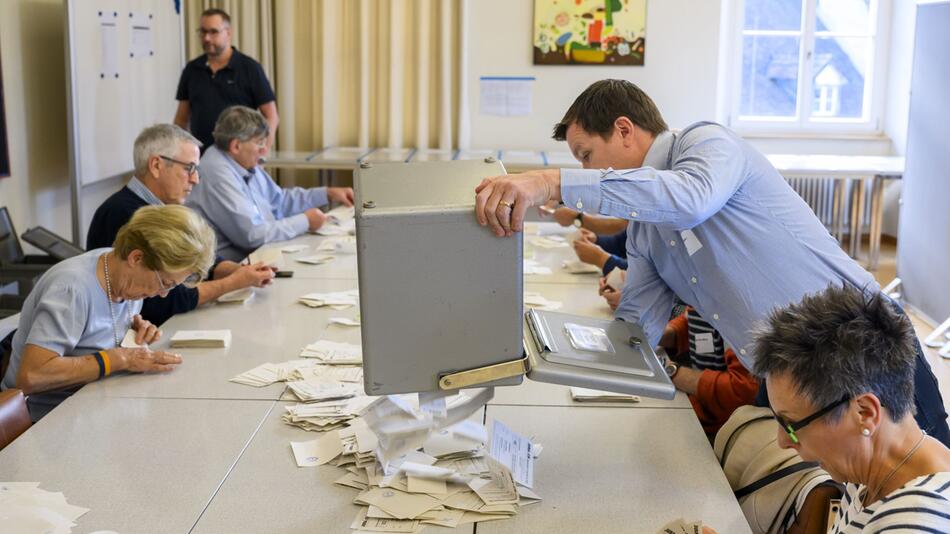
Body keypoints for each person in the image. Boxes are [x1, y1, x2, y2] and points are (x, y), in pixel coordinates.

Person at [473, 79, 950, 445]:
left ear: (624, 130)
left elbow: (690, 199)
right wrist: (545, 348)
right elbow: (633, 331)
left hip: (866, 347)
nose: (588, 172)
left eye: (587, 156)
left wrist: (551, 182)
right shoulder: (646, 234)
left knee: (925, 488)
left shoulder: (705, 143)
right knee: (853, 504)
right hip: (794, 377)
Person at [708, 285, 950, 533]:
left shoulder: (916, 524)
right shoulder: (870, 468)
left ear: (865, 413)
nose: (783, 441)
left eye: (791, 426)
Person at [1, 205, 216, 421]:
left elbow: (98, 325)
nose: (161, 294)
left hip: (90, 405)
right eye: (164, 283)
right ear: (136, 258)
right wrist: (119, 359)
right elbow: (31, 375)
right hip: (40, 420)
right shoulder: (71, 289)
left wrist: (131, 331)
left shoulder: (120, 275)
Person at [87, 124, 274, 325]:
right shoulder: (124, 214)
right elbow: (162, 300)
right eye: (189, 168)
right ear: (156, 165)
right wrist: (234, 283)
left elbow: (197, 259)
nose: (195, 179)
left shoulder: (164, 208)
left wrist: (239, 271)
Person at [187, 106, 354, 261]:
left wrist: (326, 193)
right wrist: (305, 221)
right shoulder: (216, 173)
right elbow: (252, 235)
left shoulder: (242, 162)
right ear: (236, 146)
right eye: (259, 142)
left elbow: (279, 201)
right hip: (230, 264)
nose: (264, 150)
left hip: (259, 255)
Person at [174, 8, 279, 151]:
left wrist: (261, 151)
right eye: (203, 32)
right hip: (200, 159)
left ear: (228, 33)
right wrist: (178, 152)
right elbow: (181, 119)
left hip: (239, 158)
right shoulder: (192, 69)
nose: (207, 38)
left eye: (213, 32)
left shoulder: (250, 68)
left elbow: (271, 116)